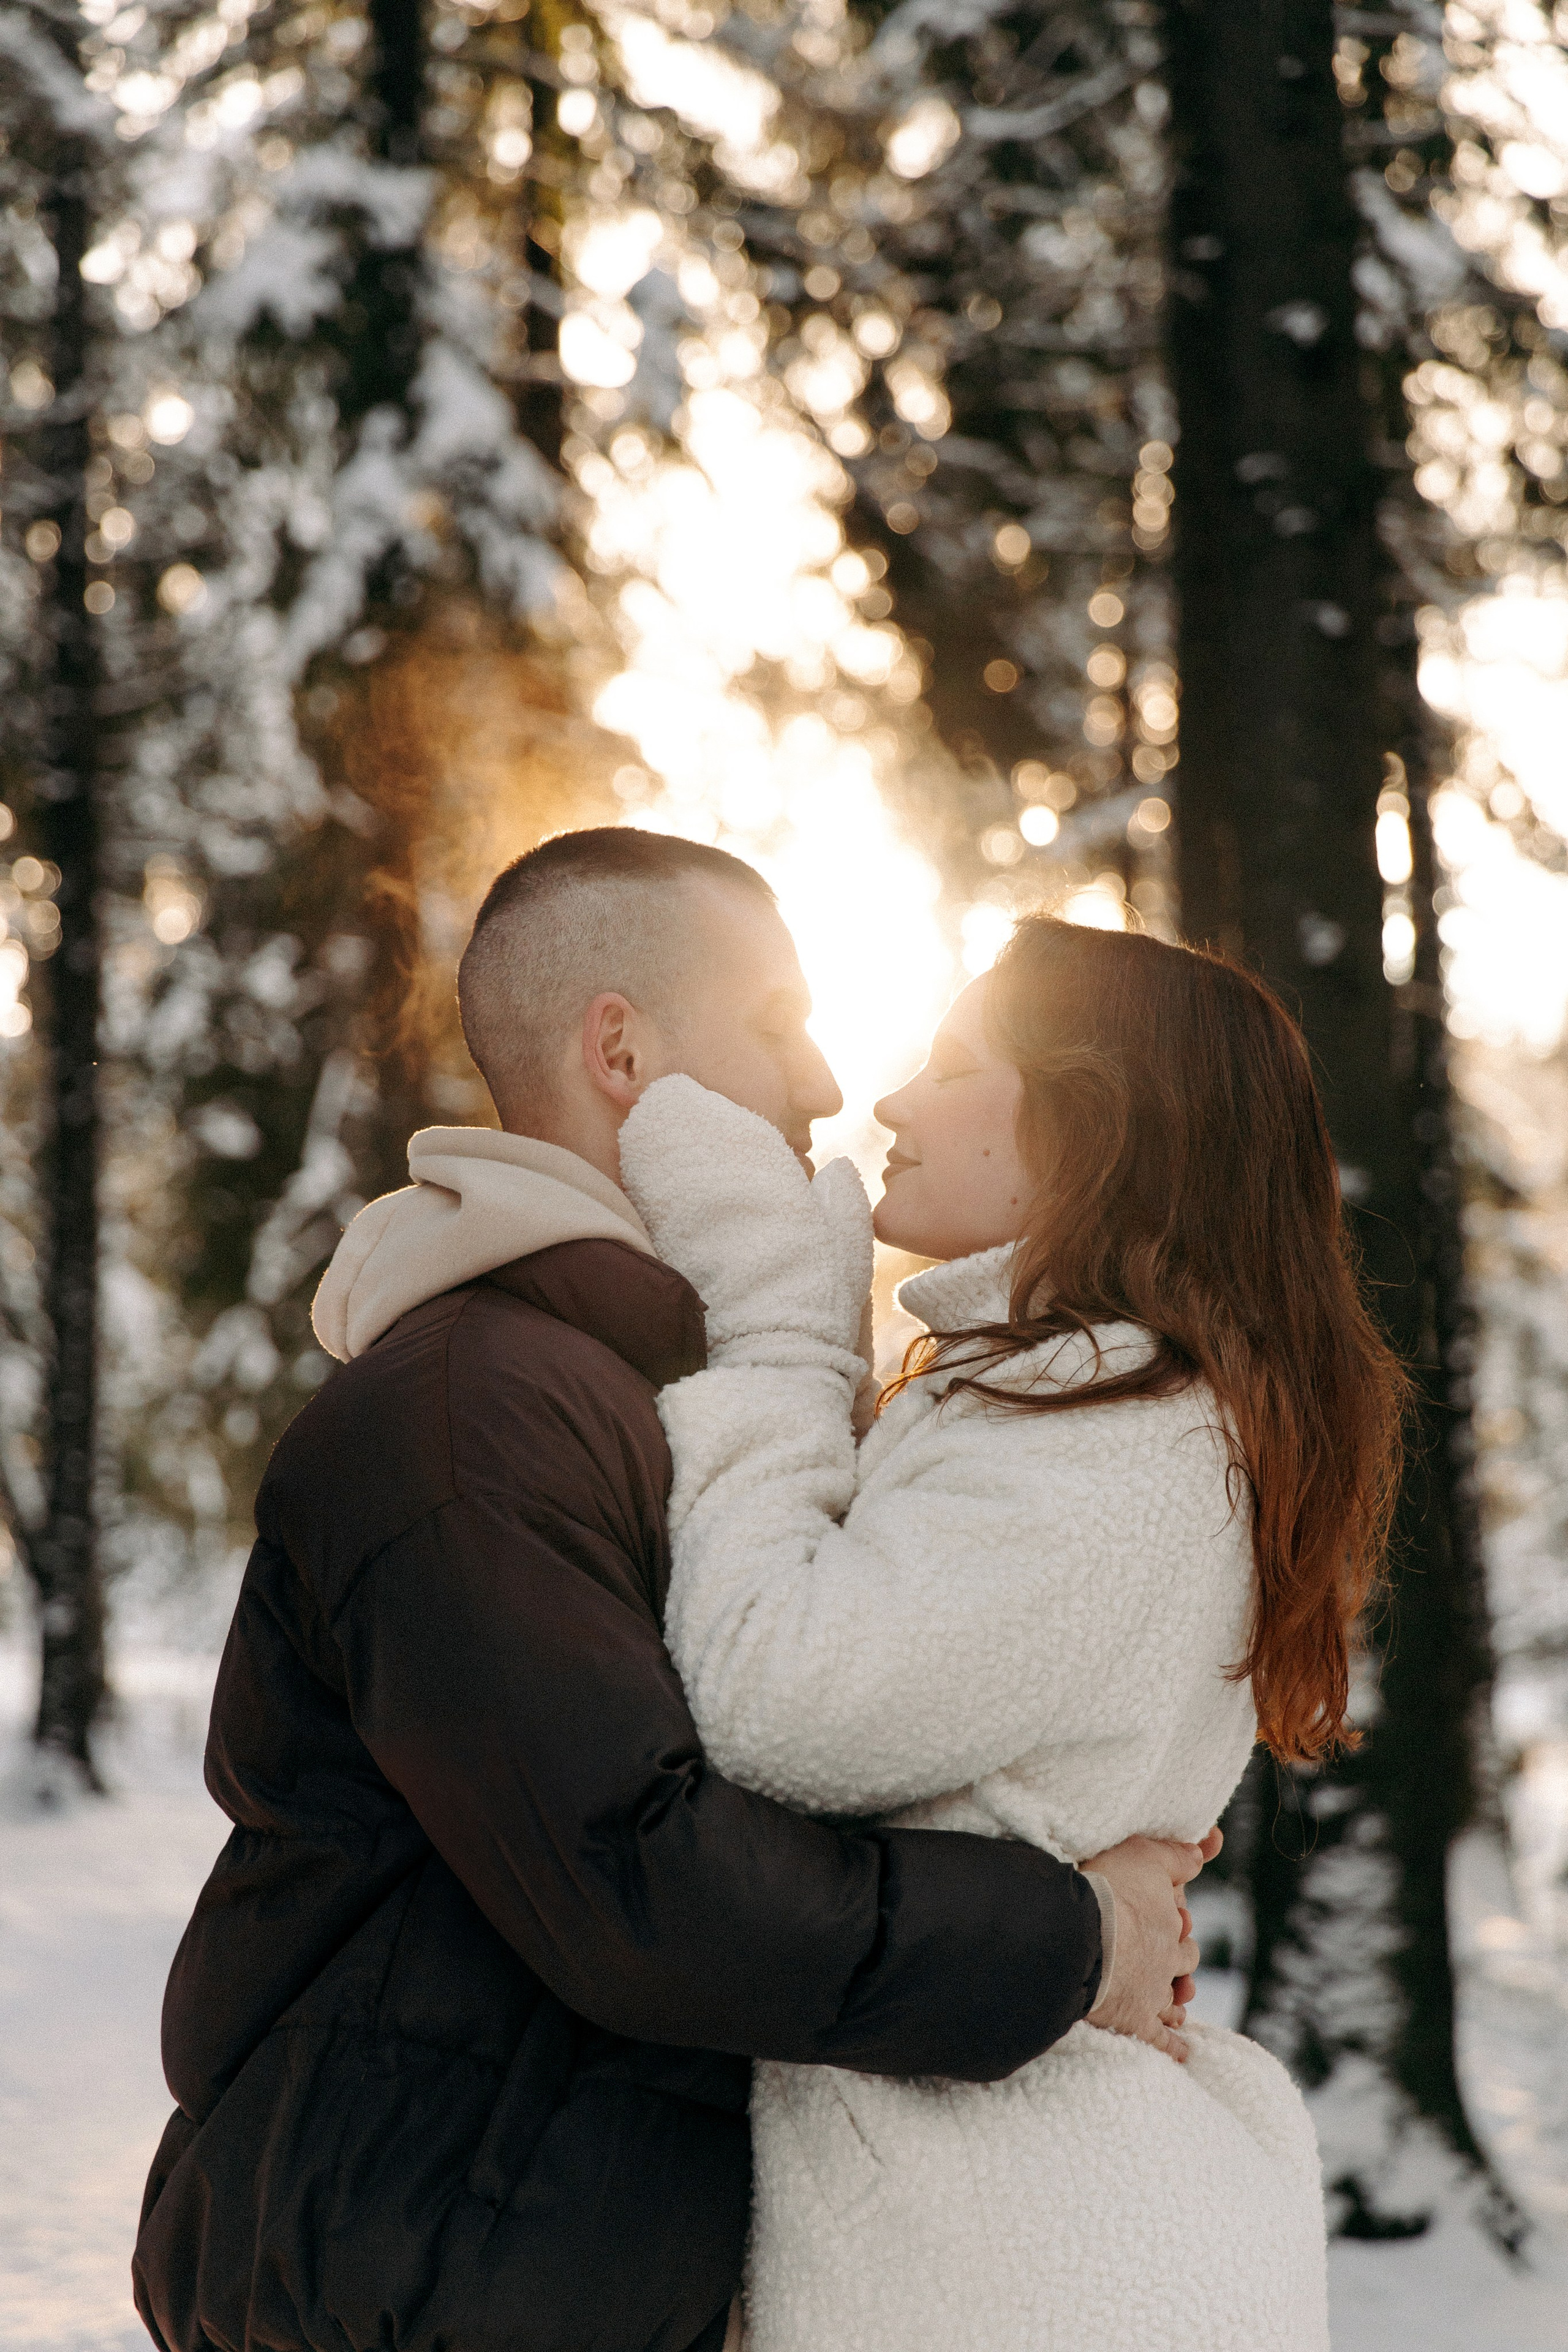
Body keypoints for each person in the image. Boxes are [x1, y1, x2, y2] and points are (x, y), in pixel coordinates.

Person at [134, 832, 1208, 2352]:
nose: (826, 1085)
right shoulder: (470, 1414)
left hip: (552, 2274)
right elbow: (646, 1885)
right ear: (621, 1052)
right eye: (778, 1025)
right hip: (410, 2286)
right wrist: (1074, 1941)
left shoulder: (660, 1401)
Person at [617, 913, 1411, 2352]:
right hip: (1029, 2217)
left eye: (950, 1066)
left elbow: (772, 1698)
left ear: (1089, 1124)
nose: (891, 1103)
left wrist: (780, 1342)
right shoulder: (1094, 1410)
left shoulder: (1113, 1446)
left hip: (1022, 2250)